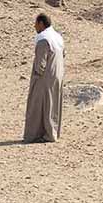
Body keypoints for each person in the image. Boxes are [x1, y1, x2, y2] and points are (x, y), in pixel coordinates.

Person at [23, 13, 65, 143]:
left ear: (41, 24)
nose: (34, 26)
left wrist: (36, 76)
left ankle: (37, 135)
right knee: (52, 105)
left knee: (38, 105)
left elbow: (40, 64)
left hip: (45, 77)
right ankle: (52, 133)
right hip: (57, 75)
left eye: (36, 23)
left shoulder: (43, 39)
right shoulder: (57, 37)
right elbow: (63, 55)